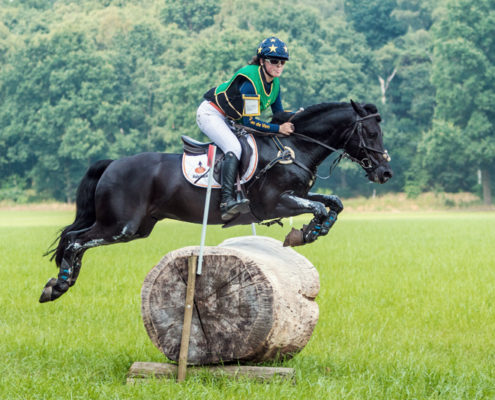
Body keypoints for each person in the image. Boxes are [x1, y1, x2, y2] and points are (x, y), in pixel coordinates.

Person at [196, 36, 295, 221]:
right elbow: (250, 122)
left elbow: (279, 113)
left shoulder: (275, 83)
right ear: (262, 61)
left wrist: (301, 117)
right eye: (274, 61)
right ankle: (226, 201)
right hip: (211, 114)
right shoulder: (250, 81)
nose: (279, 65)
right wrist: (278, 129)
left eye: (283, 62)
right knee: (234, 147)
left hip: (230, 120)